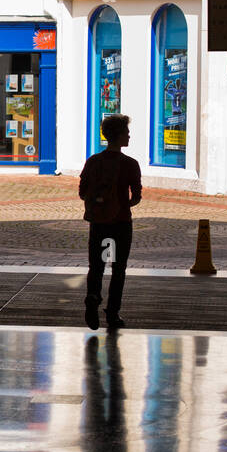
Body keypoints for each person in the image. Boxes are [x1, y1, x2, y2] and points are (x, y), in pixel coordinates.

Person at [78, 114, 141, 330]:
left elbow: (82, 192)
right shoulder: (130, 164)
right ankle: (112, 313)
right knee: (118, 268)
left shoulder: (93, 161)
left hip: (99, 224)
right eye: (127, 132)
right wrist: (122, 203)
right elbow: (136, 196)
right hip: (121, 224)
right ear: (119, 136)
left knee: (97, 266)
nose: (129, 136)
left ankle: (93, 296)